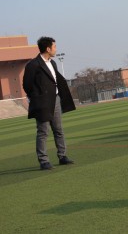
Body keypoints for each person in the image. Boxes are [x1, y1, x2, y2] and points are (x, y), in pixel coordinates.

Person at [22, 36, 76, 170]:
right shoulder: (33, 65)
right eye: (54, 46)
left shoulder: (53, 63)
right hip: (42, 102)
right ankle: (43, 160)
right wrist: (37, 97)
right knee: (43, 131)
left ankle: (62, 156)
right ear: (48, 48)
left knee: (58, 130)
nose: (56, 49)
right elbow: (27, 85)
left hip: (56, 100)